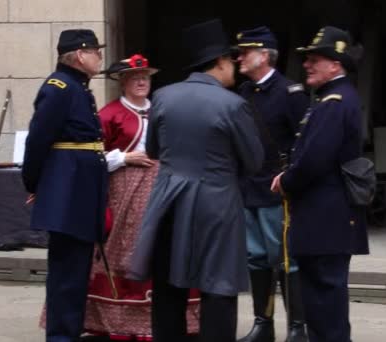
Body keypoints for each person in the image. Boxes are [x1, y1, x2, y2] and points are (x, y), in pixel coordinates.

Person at [127, 19, 264, 342]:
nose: (234, 67)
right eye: (231, 60)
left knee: (168, 284)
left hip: (168, 199)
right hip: (216, 203)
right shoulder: (233, 105)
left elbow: (154, 150)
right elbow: (254, 161)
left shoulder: (163, 97)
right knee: (218, 287)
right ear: (219, 62)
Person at [82, 54, 200, 340]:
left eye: (145, 77)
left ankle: (173, 316)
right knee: (129, 247)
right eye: (135, 78)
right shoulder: (110, 114)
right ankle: (120, 315)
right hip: (125, 193)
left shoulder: (164, 109)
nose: (141, 82)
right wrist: (124, 157)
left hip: (165, 189)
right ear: (123, 82)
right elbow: (92, 157)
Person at [271, 26, 369, 342]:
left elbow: (314, 161)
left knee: (326, 310)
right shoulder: (331, 99)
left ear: (335, 64)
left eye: (315, 59)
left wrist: (286, 180)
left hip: (324, 220)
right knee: (321, 308)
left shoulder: (335, 102)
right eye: (308, 59)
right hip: (324, 221)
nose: (307, 65)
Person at [21, 29, 108, 342]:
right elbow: (38, 140)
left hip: (80, 191)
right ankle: (61, 337)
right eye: (96, 51)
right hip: (68, 192)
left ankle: (68, 333)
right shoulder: (59, 87)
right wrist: (34, 182)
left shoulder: (77, 87)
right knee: (66, 276)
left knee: (75, 273)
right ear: (81, 54)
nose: (100, 57)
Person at [235, 26, 310, 342]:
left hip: (277, 191)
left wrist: (291, 177)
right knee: (255, 258)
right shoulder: (244, 93)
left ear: (264, 55)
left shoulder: (290, 93)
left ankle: (297, 328)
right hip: (249, 187)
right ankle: (263, 324)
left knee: (286, 260)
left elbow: (305, 141)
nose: (238, 58)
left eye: (245, 52)